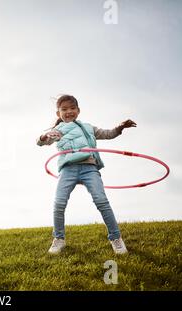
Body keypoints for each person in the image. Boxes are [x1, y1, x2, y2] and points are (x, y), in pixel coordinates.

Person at [36, 95, 136, 255]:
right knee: (59, 203)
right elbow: (42, 142)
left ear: (78, 110)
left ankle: (116, 238)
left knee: (101, 201)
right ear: (58, 113)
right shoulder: (58, 130)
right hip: (68, 169)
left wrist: (120, 127)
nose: (69, 112)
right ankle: (59, 239)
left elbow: (108, 134)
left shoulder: (88, 127)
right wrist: (43, 137)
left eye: (72, 108)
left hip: (89, 168)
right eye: (64, 109)